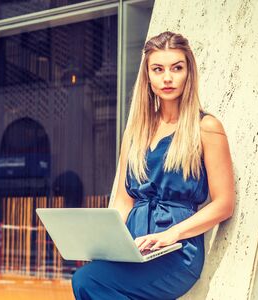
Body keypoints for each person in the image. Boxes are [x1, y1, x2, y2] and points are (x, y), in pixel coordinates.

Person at [71, 31, 235, 299]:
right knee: (90, 277)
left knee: (87, 281)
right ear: (147, 77)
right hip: (134, 246)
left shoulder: (206, 127)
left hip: (176, 251)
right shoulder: (135, 132)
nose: (167, 78)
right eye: (158, 69)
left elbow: (224, 204)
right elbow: (124, 201)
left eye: (177, 68)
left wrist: (173, 234)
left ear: (189, 73)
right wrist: (105, 243)